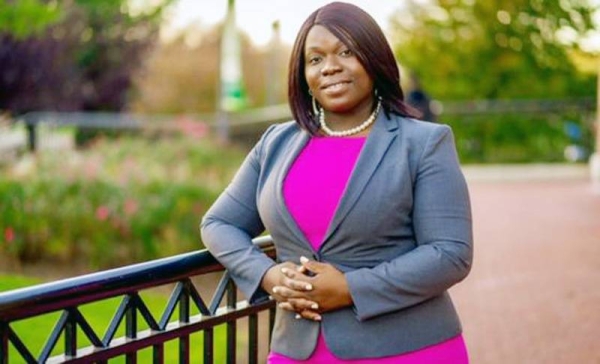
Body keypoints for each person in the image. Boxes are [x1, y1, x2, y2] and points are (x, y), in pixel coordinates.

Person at [200, 2, 473, 363]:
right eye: (315, 59)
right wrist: (268, 276)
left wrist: (350, 288)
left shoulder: (423, 143)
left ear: (374, 60)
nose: (330, 67)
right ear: (303, 75)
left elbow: (450, 252)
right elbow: (219, 223)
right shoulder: (275, 144)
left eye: (346, 52)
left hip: (407, 349)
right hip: (297, 350)